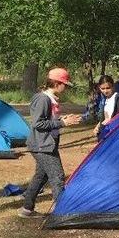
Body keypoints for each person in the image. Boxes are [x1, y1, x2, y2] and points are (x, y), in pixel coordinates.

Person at [18, 68, 83, 218]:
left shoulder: (51, 99)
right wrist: (62, 123)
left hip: (47, 144)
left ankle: (26, 209)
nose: (65, 88)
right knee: (57, 176)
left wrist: (63, 120)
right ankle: (62, 213)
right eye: (64, 84)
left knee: (41, 176)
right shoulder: (43, 99)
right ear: (57, 83)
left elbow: (50, 119)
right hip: (42, 145)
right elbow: (38, 123)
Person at [93, 75, 119, 139]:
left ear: (113, 86)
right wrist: (97, 127)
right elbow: (105, 118)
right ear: (99, 88)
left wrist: (113, 121)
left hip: (116, 135)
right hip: (106, 134)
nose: (105, 91)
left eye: (108, 88)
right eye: (103, 89)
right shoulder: (106, 100)